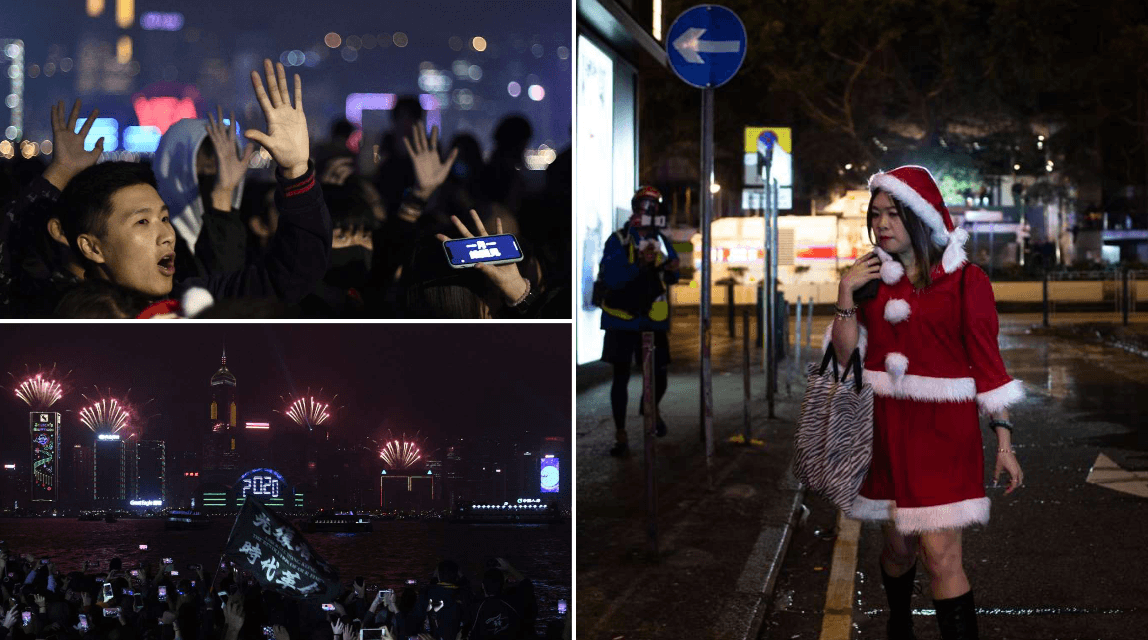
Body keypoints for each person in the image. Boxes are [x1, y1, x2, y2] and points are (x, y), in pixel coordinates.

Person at [829, 165, 1025, 639]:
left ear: (920, 217)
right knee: (898, 551)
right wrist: (845, 295)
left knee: (942, 557)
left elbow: (989, 368)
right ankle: (900, 625)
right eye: (875, 215)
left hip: (944, 434)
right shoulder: (869, 278)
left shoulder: (965, 281)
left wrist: (1004, 440)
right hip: (886, 431)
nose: (882, 224)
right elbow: (843, 358)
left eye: (893, 213)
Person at [53, 59, 329, 315]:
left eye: (163, 217)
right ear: (92, 247)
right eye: (142, 222)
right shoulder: (70, 320)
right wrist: (59, 172)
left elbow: (288, 278)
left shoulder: (193, 300)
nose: (166, 235)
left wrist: (296, 172)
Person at [595, 186, 680, 457]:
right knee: (620, 379)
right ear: (635, 208)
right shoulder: (618, 239)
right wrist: (640, 265)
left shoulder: (661, 239)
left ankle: (650, 406)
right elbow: (613, 278)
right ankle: (621, 435)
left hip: (652, 320)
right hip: (621, 320)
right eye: (644, 204)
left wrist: (669, 267)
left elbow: (673, 274)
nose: (649, 209)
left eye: (654, 205)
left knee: (661, 374)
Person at [467, 569, 521, 640]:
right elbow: (525, 582)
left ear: (483, 586)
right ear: (503, 585)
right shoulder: (513, 604)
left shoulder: (477, 607)